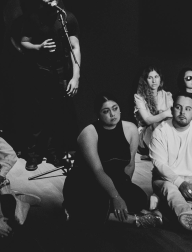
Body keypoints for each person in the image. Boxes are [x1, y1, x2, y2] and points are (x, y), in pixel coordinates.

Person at [64, 95, 160, 226]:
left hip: (114, 179)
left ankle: (82, 214)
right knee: (95, 202)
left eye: (115, 108)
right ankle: (134, 220)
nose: (112, 114)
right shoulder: (89, 133)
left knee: (139, 198)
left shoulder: (131, 129)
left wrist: (124, 190)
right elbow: (97, 171)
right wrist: (116, 197)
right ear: (98, 114)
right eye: (106, 111)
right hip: (85, 182)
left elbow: (130, 164)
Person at [14, 0, 82, 166]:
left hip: (61, 73)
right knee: (37, 116)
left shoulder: (67, 17)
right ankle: (33, 156)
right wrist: (39, 47)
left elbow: (75, 48)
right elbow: (23, 43)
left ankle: (55, 155)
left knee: (58, 116)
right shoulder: (33, 18)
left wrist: (75, 77)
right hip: (39, 72)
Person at [149, 93, 192, 232]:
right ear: (172, 108)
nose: (182, 112)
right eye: (178, 108)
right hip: (168, 180)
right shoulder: (160, 131)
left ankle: (165, 204)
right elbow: (160, 164)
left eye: (187, 109)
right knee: (170, 189)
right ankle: (187, 213)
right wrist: (180, 183)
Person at [134, 66, 173, 158]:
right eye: (150, 77)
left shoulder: (167, 95)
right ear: (145, 80)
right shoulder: (139, 97)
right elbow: (147, 120)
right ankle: (160, 154)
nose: (154, 81)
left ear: (160, 78)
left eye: (156, 77)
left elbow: (172, 117)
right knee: (154, 124)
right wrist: (164, 113)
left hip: (164, 133)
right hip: (144, 137)